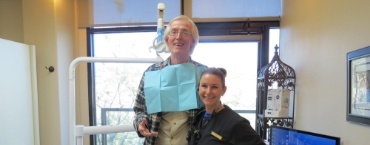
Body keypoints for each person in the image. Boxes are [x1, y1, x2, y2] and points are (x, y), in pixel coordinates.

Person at [133, 15, 207, 145]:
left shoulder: (203, 73)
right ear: (167, 39)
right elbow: (139, 110)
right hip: (155, 141)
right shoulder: (151, 73)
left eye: (185, 32)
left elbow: (213, 110)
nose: (178, 37)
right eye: (174, 32)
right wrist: (140, 122)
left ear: (193, 41)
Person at [187, 67, 265, 145]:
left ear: (223, 90)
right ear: (198, 89)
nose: (208, 92)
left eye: (214, 87)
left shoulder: (236, 123)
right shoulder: (199, 116)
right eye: (204, 86)